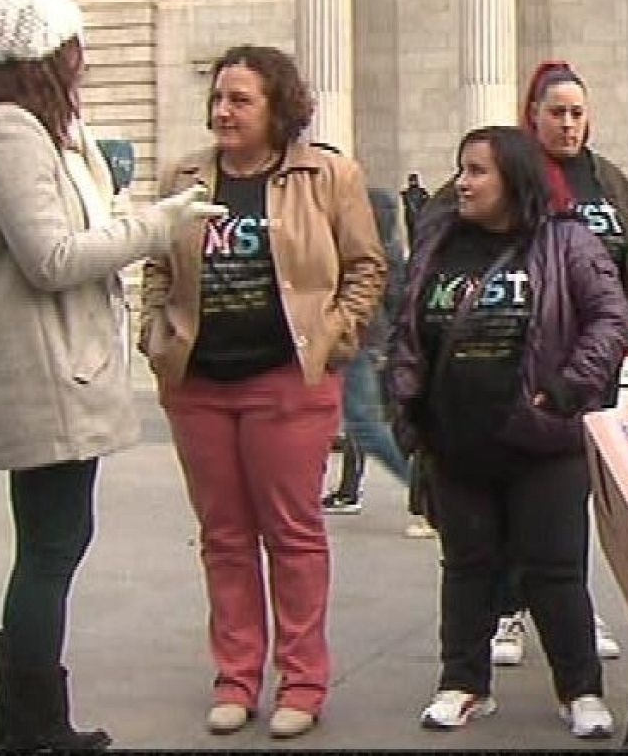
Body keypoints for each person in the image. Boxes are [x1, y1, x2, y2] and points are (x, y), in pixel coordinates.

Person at [0, 0, 222, 752]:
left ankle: (24, 719)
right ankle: (29, 725)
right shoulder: (6, 129)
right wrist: (160, 225)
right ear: (39, 49)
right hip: (39, 368)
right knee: (51, 546)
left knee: (53, 542)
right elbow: (51, 255)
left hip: (52, 362)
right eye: (73, 43)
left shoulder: (32, 128)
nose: (84, 57)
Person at [140, 44, 386, 740]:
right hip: (199, 385)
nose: (223, 110)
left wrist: (336, 337)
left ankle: (302, 679)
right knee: (223, 537)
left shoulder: (327, 175)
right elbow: (159, 264)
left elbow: (365, 268)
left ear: (278, 105)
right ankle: (235, 677)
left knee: (293, 533)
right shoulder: (184, 176)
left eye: (240, 99)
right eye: (218, 97)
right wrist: (155, 335)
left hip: (287, 382)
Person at [386, 126, 628, 739]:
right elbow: (410, 325)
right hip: (457, 440)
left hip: (542, 440)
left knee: (554, 569)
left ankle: (580, 689)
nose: (462, 184)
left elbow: (610, 317)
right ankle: (463, 683)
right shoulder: (438, 240)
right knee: (467, 565)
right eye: (461, 170)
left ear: (513, 179)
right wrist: (407, 405)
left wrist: (570, 388)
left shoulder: (566, 240)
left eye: (477, 172)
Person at [483, 61, 628, 667]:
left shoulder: (609, 181)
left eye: (578, 112)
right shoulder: (515, 179)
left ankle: (570, 606)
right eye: (557, 113)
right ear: (534, 116)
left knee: (570, 495)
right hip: (526, 366)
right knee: (513, 490)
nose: (569, 124)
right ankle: (508, 610)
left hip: (592, 368)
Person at [321, 174, 413, 519]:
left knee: (363, 423)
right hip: (363, 338)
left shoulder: (365, 243)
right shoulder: (384, 243)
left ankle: (424, 489)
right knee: (356, 421)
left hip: (357, 338)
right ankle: (346, 490)